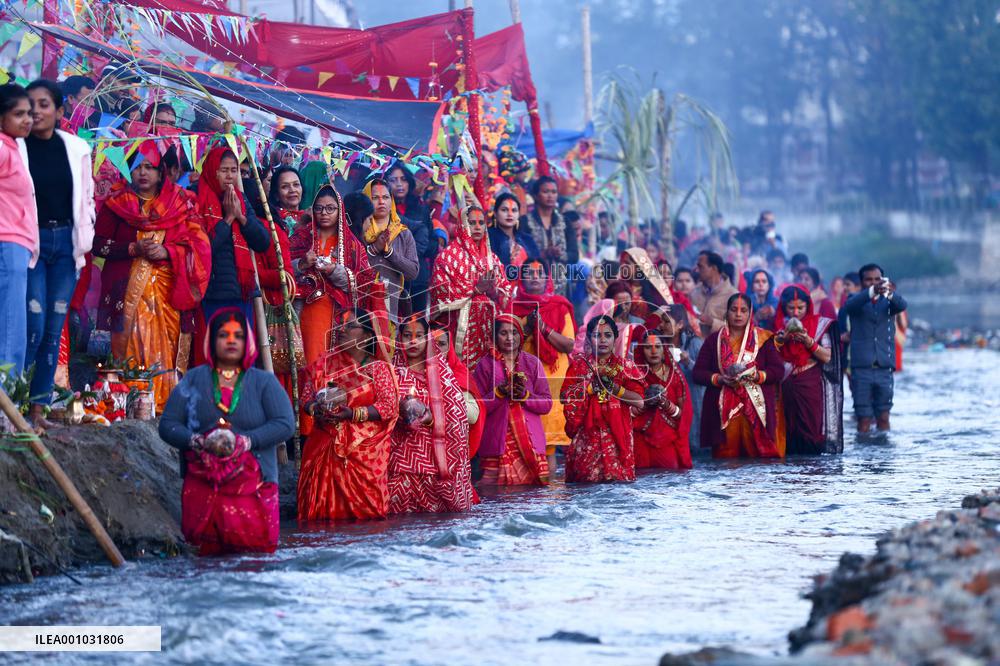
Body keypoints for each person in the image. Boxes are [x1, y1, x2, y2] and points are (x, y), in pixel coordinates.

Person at [158, 309, 295, 555]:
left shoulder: (264, 382)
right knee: (204, 563)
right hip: (202, 486)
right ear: (211, 340)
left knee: (255, 563)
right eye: (223, 335)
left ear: (248, 342)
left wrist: (247, 442)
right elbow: (168, 425)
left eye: (238, 336)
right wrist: (196, 440)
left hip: (255, 488)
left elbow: (285, 423)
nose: (231, 341)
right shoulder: (192, 380)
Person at [93, 141, 211, 411]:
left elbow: (200, 246)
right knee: (132, 341)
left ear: (162, 173)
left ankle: (161, 404)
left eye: (150, 167)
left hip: (168, 293)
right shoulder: (116, 202)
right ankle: (128, 401)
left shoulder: (181, 203)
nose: (143, 173)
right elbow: (97, 244)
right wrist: (132, 248)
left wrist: (167, 252)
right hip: (126, 292)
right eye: (137, 167)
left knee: (164, 347)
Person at [20, 80, 94, 420]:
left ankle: (38, 408)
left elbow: (87, 198)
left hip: (66, 246)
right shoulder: (14, 148)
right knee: (32, 324)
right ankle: (16, 401)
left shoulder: (77, 148)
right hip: (31, 243)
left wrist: (86, 235)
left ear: (60, 111)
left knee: (53, 327)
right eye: (30, 105)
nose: (36, 111)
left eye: (44, 104)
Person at [297, 307, 398, 520]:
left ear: (368, 335)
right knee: (320, 523)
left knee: (368, 524)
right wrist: (317, 410)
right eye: (340, 325)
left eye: (350, 326)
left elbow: (389, 407)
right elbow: (305, 398)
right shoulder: (324, 363)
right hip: (323, 445)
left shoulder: (378, 369)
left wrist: (351, 414)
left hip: (364, 452)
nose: (341, 330)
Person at [291, 185, 384, 368]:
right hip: (303, 312)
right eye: (319, 208)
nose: (324, 213)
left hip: (338, 316)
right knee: (307, 362)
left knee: (330, 365)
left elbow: (362, 283)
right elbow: (283, 270)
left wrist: (335, 271)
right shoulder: (301, 237)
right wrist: (301, 264)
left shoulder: (352, 245)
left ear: (339, 210)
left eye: (330, 208)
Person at [389, 317, 475, 513]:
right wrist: (400, 414)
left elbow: (457, 418)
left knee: (434, 522)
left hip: (434, 466)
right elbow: (382, 409)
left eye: (419, 336)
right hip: (398, 464)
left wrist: (430, 420)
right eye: (407, 336)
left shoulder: (444, 376)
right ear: (399, 339)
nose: (413, 341)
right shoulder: (391, 373)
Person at [692, 293, 785, 459]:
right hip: (722, 409)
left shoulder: (764, 338)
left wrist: (757, 376)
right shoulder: (714, 340)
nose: (738, 314)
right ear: (726, 312)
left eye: (743, 310)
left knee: (759, 461)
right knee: (725, 463)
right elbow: (698, 373)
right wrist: (719, 379)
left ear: (750, 313)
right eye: (734, 310)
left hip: (756, 406)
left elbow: (778, 371)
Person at [560, 315, 646, 483]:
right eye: (597, 335)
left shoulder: (625, 367)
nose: (603, 340)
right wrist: (590, 389)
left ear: (615, 338)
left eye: (607, 335)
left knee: (618, 491)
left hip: (617, 438)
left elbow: (639, 401)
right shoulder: (579, 366)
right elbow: (564, 397)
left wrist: (614, 389)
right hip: (587, 437)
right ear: (589, 339)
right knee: (585, 488)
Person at [196, 147, 271, 334]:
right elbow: (203, 248)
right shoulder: (198, 197)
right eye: (224, 170)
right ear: (212, 170)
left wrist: (241, 217)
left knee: (242, 355)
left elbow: (263, 242)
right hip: (212, 292)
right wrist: (229, 219)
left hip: (242, 291)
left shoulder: (240, 199)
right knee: (216, 351)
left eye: (233, 170)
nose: (230, 176)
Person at [472, 315, 552, 486]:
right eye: (503, 333)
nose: (509, 338)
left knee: (533, 501)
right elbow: (476, 408)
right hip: (496, 447)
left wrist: (525, 396)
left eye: (514, 333)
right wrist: (499, 393)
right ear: (495, 337)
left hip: (532, 446)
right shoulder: (485, 365)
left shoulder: (532, 363)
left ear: (521, 336)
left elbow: (547, 404)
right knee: (496, 501)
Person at [431, 205, 513, 370]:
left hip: (489, 330)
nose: (477, 227)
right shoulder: (446, 257)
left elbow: (506, 292)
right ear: (461, 225)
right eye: (471, 222)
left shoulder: (493, 259)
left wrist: (494, 292)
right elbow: (441, 295)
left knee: (489, 376)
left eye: (481, 223)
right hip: (458, 330)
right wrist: (475, 290)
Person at [514, 260, 576, 472]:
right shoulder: (514, 308)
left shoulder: (559, 305)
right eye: (529, 273)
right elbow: (508, 343)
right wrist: (529, 327)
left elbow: (568, 345)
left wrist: (543, 328)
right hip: (526, 378)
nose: (534, 277)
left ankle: (550, 495)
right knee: (526, 437)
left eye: (539, 273)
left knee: (549, 443)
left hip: (555, 379)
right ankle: (532, 497)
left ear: (547, 278)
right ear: (522, 280)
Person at [774, 286, 843, 454]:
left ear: (808, 306)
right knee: (788, 430)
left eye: (800, 308)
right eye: (791, 308)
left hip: (810, 383)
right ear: (784, 308)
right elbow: (769, 358)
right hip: (786, 385)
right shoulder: (776, 326)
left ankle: (812, 472)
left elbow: (827, 357)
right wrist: (780, 341)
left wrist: (808, 341)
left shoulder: (820, 325)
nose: (796, 312)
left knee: (811, 430)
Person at [841, 264, 907, 433]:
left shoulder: (888, 301)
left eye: (877, 279)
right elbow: (850, 306)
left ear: (883, 280)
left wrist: (888, 292)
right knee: (863, 419)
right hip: (861, 368)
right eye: (869, 280)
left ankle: (884, 457)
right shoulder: (854, 300)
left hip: (884, 367)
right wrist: (872, 292)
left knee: (884, 417)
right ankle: (864, 457)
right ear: (862, 282)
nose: (873, 283)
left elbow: (902, 304)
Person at [0, 84, 38, 375]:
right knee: (10, 326)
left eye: (29, 113)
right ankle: (6, 405)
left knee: (14, 326)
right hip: (6, 243)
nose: (28, 120)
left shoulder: (15, 146)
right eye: (19, 114)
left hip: (16, 246)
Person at [632, 332, 693, 470]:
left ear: (664, 349)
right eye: (648, 347)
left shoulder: (675, 376)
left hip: (667, 437)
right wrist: (646, 403)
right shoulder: (635, 376)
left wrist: (665, 404)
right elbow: (626, 413)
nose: (653, 351)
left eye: (657, 346)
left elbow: (682, 415)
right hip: (640, 436)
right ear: (642, 350)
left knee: (671, 473)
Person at [361, 178, 419, 322]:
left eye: (386, 197)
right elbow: (352, 267)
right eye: (375, 198)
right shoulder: (359, 231)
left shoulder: (403, 234)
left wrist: (390, 253)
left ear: (391, 201)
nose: (381, 202)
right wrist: (374, 249)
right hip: (361, 312)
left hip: (392, 313)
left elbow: (412, 273)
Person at [386, 161, 435, 315]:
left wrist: (414, 250)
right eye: (393, 180)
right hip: (389, 277)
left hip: (417, 278)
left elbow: (432, 244)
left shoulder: (421, 209)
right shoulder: (382, 210)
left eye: (403, 179)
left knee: (416, 325)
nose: (399, 184)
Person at [520, 175, 578, 295]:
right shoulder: (525, 222)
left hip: (560, 285)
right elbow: (520, 254)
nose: (550, 196)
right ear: (536, 195)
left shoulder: (565, 222)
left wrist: (561, 254)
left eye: (554, 192)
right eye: (545, 191)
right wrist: (543, 254)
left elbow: (574, 255)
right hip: (533, 285)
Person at [660, 304, 704, 453]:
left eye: (666, 321)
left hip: (693, 400)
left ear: (679, 324)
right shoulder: (657, 345)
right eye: (661, 321)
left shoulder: (695, 343)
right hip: (669, 403)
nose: (662, 325)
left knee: (695, 445)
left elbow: (705, 374)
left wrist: (688, 362)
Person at [487, 191, 539, 269]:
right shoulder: (487, 238)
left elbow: (538, 266)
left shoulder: (527, 239)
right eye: (504, 210)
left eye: (514, 210)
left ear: (518, 214)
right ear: (495, 213)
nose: (510, 214)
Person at [690, 250, 738, 333]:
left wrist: (712, 322)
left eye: (700, 267)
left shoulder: (733, 296)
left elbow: (737, 328)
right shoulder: (694, 293)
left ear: (714, 268)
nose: (696, 270)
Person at [268, 166, 305, 234]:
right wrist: (302, 223)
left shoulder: (309, 216)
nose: (292, 190)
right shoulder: (273, 221)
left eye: (296, 184)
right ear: (276, 194)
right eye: (285, 186)